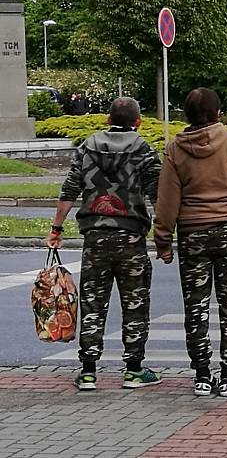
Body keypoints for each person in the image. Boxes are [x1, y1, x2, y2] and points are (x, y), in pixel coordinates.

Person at [46, 97, 163, 391]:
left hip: (95, 239)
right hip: (131, 239)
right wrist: (165, 234)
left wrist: (56, 228)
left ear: (107, 120)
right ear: (138, 122)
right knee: (135, 304)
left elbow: (69, 189)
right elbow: (158, 196)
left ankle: (88, 372)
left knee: (93, 304)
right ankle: (134, 370)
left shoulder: (87, 147)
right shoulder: (143, 150)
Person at [153, 88, 227, 398]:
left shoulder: (175, 149)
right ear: (218, 111)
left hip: (192, 233)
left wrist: (163, 240)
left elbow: (166, 200)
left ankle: (202, 374)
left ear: (186, 114)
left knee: (196, 307)